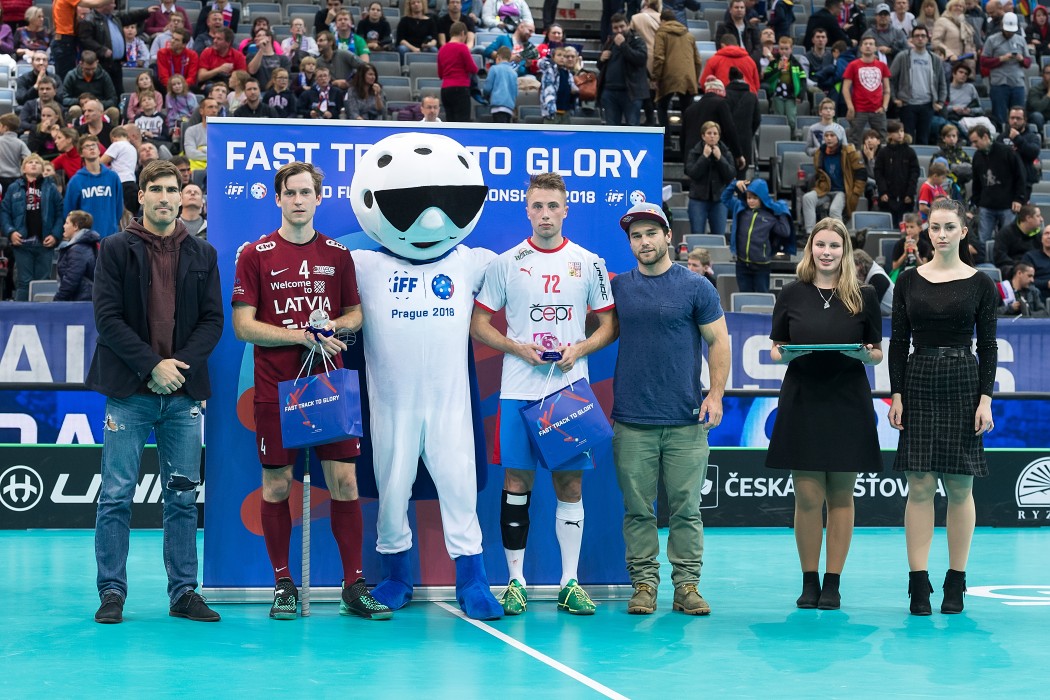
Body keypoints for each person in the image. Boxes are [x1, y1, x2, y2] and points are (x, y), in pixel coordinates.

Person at [232, 161, 391, 621]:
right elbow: (244, 327)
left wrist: (332, 327)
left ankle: (353, 586)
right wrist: (300, 336)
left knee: (345, 482)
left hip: (328, 384)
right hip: (275, 388)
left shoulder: (338, 254)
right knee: (277, 484)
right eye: (291, 193)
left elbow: (356, 315)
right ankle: (283, 584)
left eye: (306, 193)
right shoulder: (255, 254)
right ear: (278, 199)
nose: (298, 200)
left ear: (319, 199)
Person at [470, 172, 618, 617]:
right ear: (527, 211)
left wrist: (580, 348)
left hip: (568, 392)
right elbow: (478, 324)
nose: (546, 214)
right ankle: (515, 582)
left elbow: (609, 325)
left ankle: (569, 582)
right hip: (518, 390)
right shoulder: (506, 263)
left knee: (569, 485)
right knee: (516, 483)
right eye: (538, 206)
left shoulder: (588, 262)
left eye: (553, 206)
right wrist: (517, 348)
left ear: (566, 209)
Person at [88, 159, 223, 625]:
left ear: (183, 197)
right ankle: (111, 591)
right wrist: (152, 366)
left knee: (182, 497)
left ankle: (184, 592)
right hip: (130, 392)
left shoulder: (203, 253)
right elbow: (107, 319)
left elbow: (213, 321)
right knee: (116, 496)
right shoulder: (114, 249)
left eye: (172, 189)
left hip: (182, 394)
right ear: (141, 196)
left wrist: (176, 369)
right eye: (157, 189)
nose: (166, 197)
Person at [609, 202, 729, 616]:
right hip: (631, 420)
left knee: (687, 511)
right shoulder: (619, 288)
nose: (644, 241)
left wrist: (715, 395)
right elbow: (595, 328)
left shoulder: (697, 287)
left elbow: (719, 341)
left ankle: (687, 587)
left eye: (650, 233)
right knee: (638, 511)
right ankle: (644, 585)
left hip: (686, 419)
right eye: (636, 236)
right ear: (630, 244)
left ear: (667, 237)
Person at [888, 198, 998, 616]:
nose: (941, 234)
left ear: (963, 231)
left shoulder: (981, 284)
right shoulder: (908, 281)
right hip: (918, 379)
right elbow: (899, 343)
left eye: (950, 227)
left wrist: (985, 399)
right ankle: (918, 584)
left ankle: (956, 581)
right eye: (935, 227)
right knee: (919, 485)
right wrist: (897, 394)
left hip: (964, 382)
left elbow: (988, 346)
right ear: (926, 231)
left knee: (960, 487)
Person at [768, 218, 883, 610]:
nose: (827, 252)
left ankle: (833, 582)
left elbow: (877, 352)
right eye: (821, 245)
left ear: (844, 250)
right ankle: (809, 580)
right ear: (810, 249)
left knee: (841, 495)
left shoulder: (864, 295)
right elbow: (776, 347)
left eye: (835, 245)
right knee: (806, 496)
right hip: (803, 398)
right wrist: (787, 353)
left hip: (847, 399)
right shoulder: (791, 293)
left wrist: (862, 355)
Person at [0, 154, 63, 301]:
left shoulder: (51, 188)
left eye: (37, 162)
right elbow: (4, 212)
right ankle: (21, 314)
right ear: (23, 169)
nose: (34, 164)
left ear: (42, 168)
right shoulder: (13, 188)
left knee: (43, 282)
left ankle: (43, 314)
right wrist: (10, 232)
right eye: (30, 162)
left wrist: (55, 235)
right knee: (23, 282)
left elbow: (60, 213)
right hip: (22, 243)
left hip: (45, 243)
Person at [722, 177, 793, 292]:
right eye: (749, 197)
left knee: (762, 297)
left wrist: (782, 211)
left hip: (762, 265)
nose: (751, 201)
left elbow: (785, 231)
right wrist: (734, 184)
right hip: (741, 264)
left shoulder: (770, 215)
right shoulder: (740, 208)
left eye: (755, 198)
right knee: (744, 296)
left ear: (762, 198)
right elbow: (724, 198)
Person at [802, 123, 867, 233]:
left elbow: (861, 172)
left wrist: (856, 192)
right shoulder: (819, 153)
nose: (829, 138)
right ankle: (810, 232)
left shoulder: (849, 152)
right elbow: (819, 173)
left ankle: (839, 235)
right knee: (807, 198)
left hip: (842, 191)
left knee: (834, 210)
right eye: (826, 135)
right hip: (825, 190)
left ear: (839, 137)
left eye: (832, 135)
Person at [969, 124, 1026, 245]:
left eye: (975, 141)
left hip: (1007, 205)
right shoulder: (977, 156)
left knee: (1008, 241)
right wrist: (977, 202)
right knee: (983, 241)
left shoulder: (1006, 152)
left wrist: (1018, 198)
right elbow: (976, 182)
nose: (973, 145)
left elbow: (1020, 176)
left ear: (985, 136)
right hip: (986, 206)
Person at [889, 25, 946, 145]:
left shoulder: (935, 59)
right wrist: (894, 98)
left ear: (927, 39)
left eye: (923, 36)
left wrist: (940, 102)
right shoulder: (903, 56)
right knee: (907, 140)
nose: (920, 38)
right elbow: (890, 79)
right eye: (917, 36)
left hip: (927, 105)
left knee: (923, 139)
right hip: (907, 105)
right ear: (912, 39)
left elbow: (942, 83)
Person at [63, 135, 124, 239]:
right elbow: (69, 211)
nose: (91, 148)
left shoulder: (113, 177)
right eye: (87, 146)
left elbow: (119, 207)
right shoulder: (76, 181)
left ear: (99, 150)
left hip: (110, 236)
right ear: (81, 153)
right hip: (86, 239)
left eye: (94, 145)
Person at [652, 9, 702, 128]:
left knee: (662, 107)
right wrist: (694, 80)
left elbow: (659, 58)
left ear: (662, 21)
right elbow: (698, 61)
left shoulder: (661, 33)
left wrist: (655, 78)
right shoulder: (689, 35)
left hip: (668, 77)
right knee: (687, 112)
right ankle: (687, 139)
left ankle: (666, 139)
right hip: (688, 78)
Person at [685, 121, 736, 237]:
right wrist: (704, 157)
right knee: (697, 235)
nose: (712, 136)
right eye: (709, 133)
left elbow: (730, 174)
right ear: (703, 136)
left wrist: (720, 158)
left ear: (719, 136)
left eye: (715, 133)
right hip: (698, 199)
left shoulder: (726, 153)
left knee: (719, 235)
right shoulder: (694, 152)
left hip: (719, 200)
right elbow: (692, 173)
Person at [597, 14, 649, 126]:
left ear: (628, 25)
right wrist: (601, 59)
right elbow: (601, 67)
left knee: (632, 126)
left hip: (631, 92)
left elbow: (640, 59)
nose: (619, 30)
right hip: (610, 91)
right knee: (611, 128)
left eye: (622, 26)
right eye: (615, 28)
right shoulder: (610, 41)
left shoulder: (637, 41)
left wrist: (623, 45)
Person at [979, 12, 1030, 127]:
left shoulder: (1021, 40)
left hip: (1017, 83)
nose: (1009, 33)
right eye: (1007, 30)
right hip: (999, 83)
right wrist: (1000, 59)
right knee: (999, 117)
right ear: (1002, 26)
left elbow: (1028, 62)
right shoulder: (992, 40)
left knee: (1019, 116)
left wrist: (1021, 59)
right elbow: (983, 61)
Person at [842, 36, 891, 146]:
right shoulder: (853, 65)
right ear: (861, 48)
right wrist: (850, 107)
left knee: (882, 139)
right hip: (859, 109)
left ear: (876, 48)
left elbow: (887, 89)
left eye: (871, 44)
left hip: (878, 109)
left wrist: (884, 107)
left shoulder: (882, 66)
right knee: (854, 139)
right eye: (865, 44)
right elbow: (845, 88)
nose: (868, 46)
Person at [873, 120, 920, 228]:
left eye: (902, 131)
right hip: (887, 197)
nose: (900, 134)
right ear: (889, 134)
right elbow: (878, 173)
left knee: (905, 227)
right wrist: (883, 191)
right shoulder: (883, 152)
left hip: (905, 197)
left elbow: (914, 173)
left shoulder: (910, 152)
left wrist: (910, 193)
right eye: (896, 131)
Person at [53, 209, 100, 302]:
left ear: (75, 226)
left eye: (67, 223)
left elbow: (71, 280)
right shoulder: (83, 246)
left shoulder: (78, 250)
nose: (64, 226)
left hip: (81, 301)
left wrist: (57, 300)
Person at [437, 21, 478, 122]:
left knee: (450, 121)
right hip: (460, 88)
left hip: (445, 89)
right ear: (463, 33)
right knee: (462, 122)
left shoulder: (442, 49)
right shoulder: (462, 47)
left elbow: (440, 74)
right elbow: (473, 68)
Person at [992, 205, 1042, 277]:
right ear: (1028, 218)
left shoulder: (1039, 235)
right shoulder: (1006, 233)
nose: (1041, 219)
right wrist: (1020, 265)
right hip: (1011, 267)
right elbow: (1000, 256)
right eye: (1038, 216)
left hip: (1033, 266)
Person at [853, 249, 895, 315]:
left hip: (892, 316)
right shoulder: (870, 273)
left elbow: (870, 307)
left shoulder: (877, 277)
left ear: (860, 265)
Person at [484, 46, 519, 123]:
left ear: (498, 58)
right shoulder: (514, 73)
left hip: (497, 106)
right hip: (509, 108)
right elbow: (516, 93)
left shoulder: (494, 69)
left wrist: (485, 97)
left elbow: (487, 88)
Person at [1021, 225, 1050, 302]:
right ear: (1041, 239)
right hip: (1039, 296)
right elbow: (1024, 280)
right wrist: (1047, 284)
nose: (1049, 236)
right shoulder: (1030, 256)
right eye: (1046, 233)